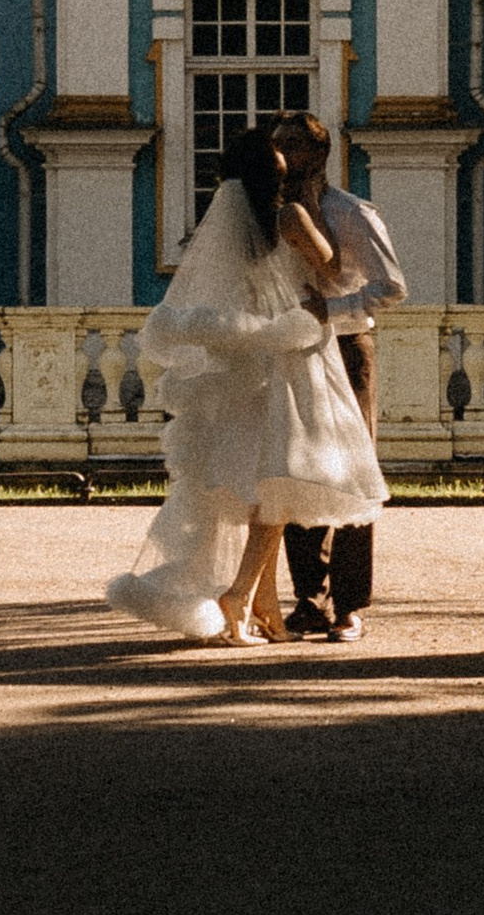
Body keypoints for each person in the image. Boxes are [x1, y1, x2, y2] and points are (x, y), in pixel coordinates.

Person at [106, 125, 386, 644]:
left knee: (260, 484)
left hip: (247, 361)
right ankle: (238, 597)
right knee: (279, 488)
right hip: (293, 351)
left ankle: (267, 610)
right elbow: (331, 266)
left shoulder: (227, 224)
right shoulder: (291, 216)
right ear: (273, 169)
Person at [273, 115, 406, 641]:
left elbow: (392, 286)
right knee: (295, 469)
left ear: (318, 152)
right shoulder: (274, 216)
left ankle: (350, 604)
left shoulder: (350, 213)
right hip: (294, 350)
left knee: (353, 471)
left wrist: (333, 308)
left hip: (348, 348)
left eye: (293, 146)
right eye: (276, 146)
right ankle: (307, 598)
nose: (282, 156)